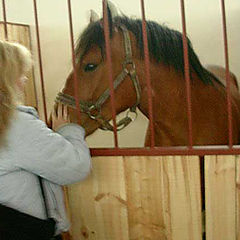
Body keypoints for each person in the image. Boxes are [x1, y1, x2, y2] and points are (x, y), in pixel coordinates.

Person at [0, 40, 91, 240]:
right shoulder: (15, 125)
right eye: (20, 74)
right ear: (6, 78)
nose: (24, 81)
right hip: (25, 231)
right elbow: (75, 167)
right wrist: (68, 130)